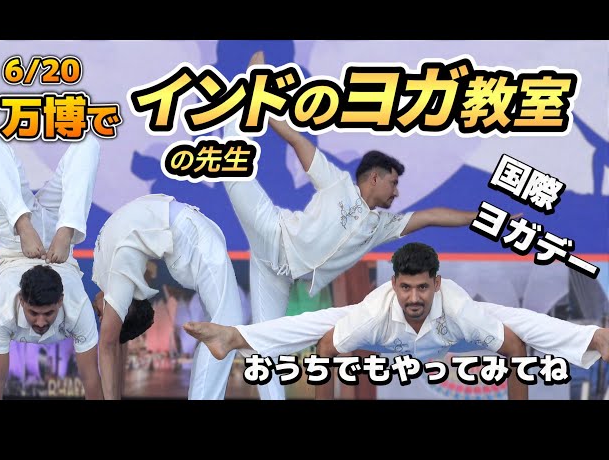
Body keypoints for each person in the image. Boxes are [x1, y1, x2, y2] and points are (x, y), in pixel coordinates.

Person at [221, 51, 519, 400]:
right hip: (274, 234)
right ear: (374, 178)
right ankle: (252, 86)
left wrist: (482, 217)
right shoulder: (336, 182)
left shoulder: (381, 225)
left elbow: (431, 216)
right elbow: (298, 140)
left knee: (266, 346)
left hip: (279, 272)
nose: (397, 192)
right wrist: (267, 109)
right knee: (233, 172)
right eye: (393, 183)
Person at [184, 242, 609, 400]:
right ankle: (233, 337)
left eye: (422, 287)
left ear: (437, 284)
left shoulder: (458, 307)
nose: (414, 297)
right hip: (387, 338)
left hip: (451, 336)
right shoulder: (374, 312)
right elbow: (326, 349)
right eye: (405, 287)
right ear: (393, 285)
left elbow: (515, 347)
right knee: (321, 321)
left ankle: (597, 339)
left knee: (515, 320)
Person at [0, 133, 103, 400]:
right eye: (34, 312)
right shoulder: (5, 313)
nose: (41, 321)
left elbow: (91, 378)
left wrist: (22, 226)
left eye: (48, 313)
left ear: (60, 302)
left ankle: (23, 222)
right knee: (87, 144)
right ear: (22, 301)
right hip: (60, 241)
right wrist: (64, 232)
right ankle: (66, 228)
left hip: (14, 242)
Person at [91, 194, 244, 400]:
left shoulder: (111, 275)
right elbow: (111, 342)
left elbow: (110, 342)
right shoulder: (115, 275)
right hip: (190, 238)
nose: (102, 319)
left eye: (102, 317)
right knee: (224, 330)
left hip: (190, 237)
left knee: (222, 331)